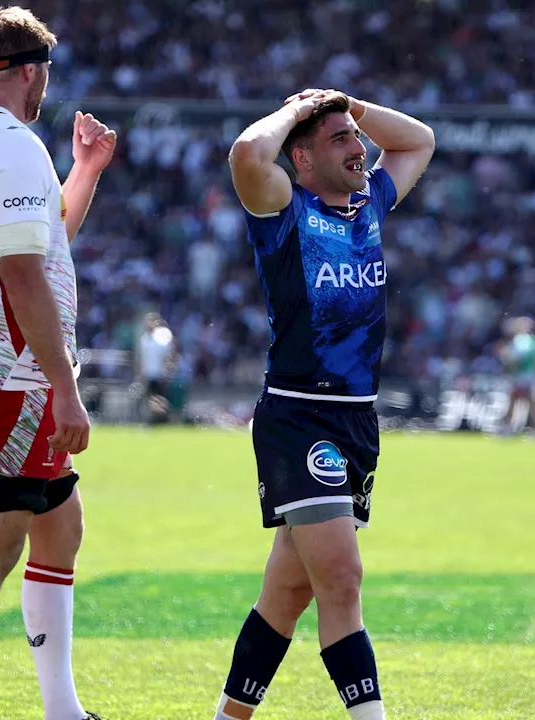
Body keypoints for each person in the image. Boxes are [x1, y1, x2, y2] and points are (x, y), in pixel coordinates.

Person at [211, 88, 433, 720]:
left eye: (355, 137)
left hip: (358, 419)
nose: (358, 146)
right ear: (301, 158)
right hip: (299, 414)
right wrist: (298, 107)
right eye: (339, 139)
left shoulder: (370, 206)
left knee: (288, 591)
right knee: (342, 578)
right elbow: (249, 152)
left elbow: (419, 140)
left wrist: (352, 108)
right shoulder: (285, 208)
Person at [0, 7, 115, 719]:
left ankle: (62, 709)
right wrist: (64, 389)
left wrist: (85, 172)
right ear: (31, 71)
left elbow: (42, 240)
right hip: (20, 381)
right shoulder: (15, 147)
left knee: (60, 525)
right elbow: (26, 273)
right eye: (47, 76)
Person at [501, 316, 535, 435]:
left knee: (523, 402)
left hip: (523, 375)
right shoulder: (532, 340)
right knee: (527, 403)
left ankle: (509, 428)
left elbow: (516, 360)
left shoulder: (522, 340)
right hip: (527, 375)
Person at [138, 312, 176, 424]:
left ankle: (163, 420)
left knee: (160, 399)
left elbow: (169, 355)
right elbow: (142, 358)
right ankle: (153, 420)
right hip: (148, 374)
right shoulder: (144, 339)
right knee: (151, 399)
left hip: (159, 374)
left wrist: (166, 371)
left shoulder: (162, 338)